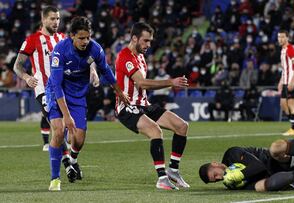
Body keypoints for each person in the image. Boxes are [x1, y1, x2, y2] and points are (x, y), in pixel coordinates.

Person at [45, 16, 129, 191]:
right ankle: (55, 180)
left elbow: (106, 71)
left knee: (79, 139)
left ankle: (72, 160)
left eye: (88, 37)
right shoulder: (60, 51)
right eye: (81, 38)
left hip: (77, 95)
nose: (85, 41)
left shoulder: (95, 49)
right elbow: (57, 84)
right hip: (57, 92)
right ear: (72, 36)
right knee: (59, 132)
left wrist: (119, 92)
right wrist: (66, 116)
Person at [13, 6, 99, 151]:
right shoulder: (32, 40)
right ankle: (67, 165)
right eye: (52, 18)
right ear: (43, 19)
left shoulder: (63, 39)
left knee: (73, 134)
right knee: (58, 128)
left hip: (64, 89)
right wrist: (27, 77)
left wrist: (93, 70)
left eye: (58, 18)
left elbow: (83, 55)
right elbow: (17, 65)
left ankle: (69, 159)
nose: (56, 22)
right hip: (44, 89)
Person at [115, 22, 189, 190]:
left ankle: (173, 171)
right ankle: (162, 178)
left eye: (150, 41)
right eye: (145, 41)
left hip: (144, 104)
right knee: (155, 131)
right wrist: (171, 82)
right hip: (127, 106)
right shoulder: (125, 56)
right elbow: (142, 83)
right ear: (134, 38)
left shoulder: (140, 56)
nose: (148, 45)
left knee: (181, 126)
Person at [199, 139, 294, 191]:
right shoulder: (231, 183)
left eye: (215, 175)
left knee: (275, 148)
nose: (219, 178)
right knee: (260, 188)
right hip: (285, 180)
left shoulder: (231, 154)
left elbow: (259, 166)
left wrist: (241, 174)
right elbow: (258, 186)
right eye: (216, 180)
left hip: (284, 160)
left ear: (215, 164)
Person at [277, 30, 294, 136]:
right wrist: (281, 81)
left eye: (282, 37)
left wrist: (292, 81)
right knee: (283, 104)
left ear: (287, 38)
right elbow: (284, 68)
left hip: (292, 82)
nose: (280, 39)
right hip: (286, 81)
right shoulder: (282, 50)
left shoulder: (290, 49)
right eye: (279, 37)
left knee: (291, 104)